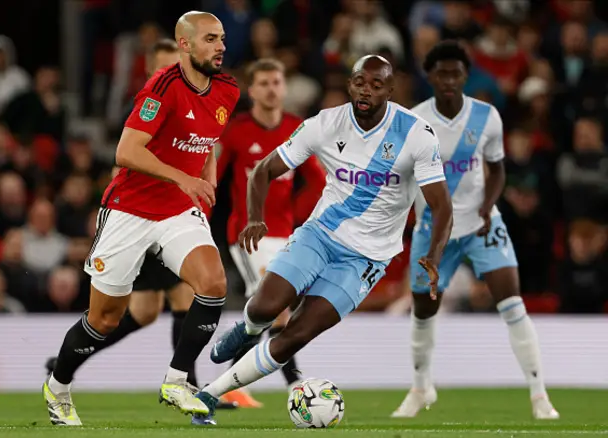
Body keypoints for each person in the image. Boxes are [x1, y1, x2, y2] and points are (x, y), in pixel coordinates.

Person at [186, 54, 454, 425]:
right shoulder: (325, 124)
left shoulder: (416, 134)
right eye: (360, 81)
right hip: (320, 235)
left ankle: (209, 395)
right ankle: (248, 328)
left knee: (296, 333)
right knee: (267, 308)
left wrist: (434, 256)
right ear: (350, 84)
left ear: (390, 91)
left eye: (377, 85)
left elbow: (442, 207)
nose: (366, 90)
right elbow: (263, 170)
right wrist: (256, 218)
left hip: (365, 260)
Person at [42, 12, 240, 426]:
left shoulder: (228, 90)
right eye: (210, 39)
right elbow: (126, 151)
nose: (220, 46)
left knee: (213, 283)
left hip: (177, 211)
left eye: (221, 38)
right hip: (129, 210)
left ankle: (177, 379)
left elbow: (209, 142)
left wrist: (208, 183)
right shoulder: (161, 88)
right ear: (184, 45)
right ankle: (58, 384)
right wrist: (184, 177)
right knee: (105, 319)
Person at [390, 41, 559, 420]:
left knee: (513, 305)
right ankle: (420, 388)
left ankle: (539, 396)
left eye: (456, 73)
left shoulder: (487, 117)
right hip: (434, 232)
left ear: (465, 76)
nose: (449, 80)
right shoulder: (413, 120)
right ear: (429, 76)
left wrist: (487, 205)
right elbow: (400, 178)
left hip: (483, 225)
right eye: (441, 73)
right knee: (422, 313)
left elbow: (497, 168)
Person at [214, 58, 326, 407]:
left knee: (274, 313)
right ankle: (292, 383)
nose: (271, 88)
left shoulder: (297, 129)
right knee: (273, 309)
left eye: (276, 82)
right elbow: (213, 179)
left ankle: (230, 383)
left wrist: (298, 215)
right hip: (246, 235)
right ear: (251, 90)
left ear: (285, 87)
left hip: (284, 233)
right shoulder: (236, 130)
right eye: (263, 83)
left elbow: (319, 181)